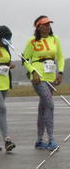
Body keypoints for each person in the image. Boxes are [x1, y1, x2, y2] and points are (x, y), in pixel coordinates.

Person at [22, 15, 64, 150]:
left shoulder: (55, 39)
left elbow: (61, 57)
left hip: (51, 76)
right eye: (44, 24)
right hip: (38, 78)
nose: (47, 27)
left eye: (48, 24)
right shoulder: (32, 41)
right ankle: (51, 139)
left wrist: (61, 72)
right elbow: (25, 59)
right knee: (50, 105)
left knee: (43, 108)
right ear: (38, 27)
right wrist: (32, 71)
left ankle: (39, 140)